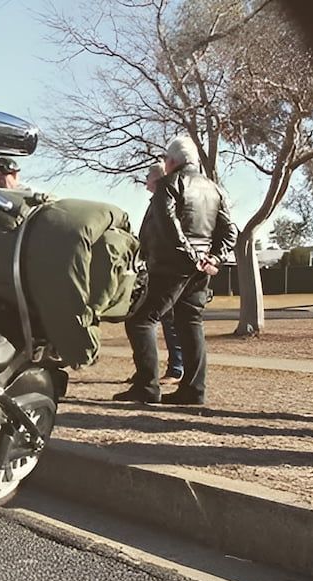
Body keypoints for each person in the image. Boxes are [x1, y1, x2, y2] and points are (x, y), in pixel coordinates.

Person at [114, 136, 236, 405]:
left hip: (172, 266)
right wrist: (211, 258)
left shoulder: (168, 185)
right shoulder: (214, 189)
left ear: (171, 162)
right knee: (189, 321)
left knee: (140, 320)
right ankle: (193, 390)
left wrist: (193, 257)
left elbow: (169, 227)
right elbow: (230, 231)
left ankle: (147, 386)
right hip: (201, 268)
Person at [138, 161, 184, 385]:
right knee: (163, 319)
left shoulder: (166, 201)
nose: (145, 180)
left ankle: (176, 368)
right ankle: (148, 371)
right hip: (154, 266)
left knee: (166, 320)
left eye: (148, 176)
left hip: (165, 268)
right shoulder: (156, 201)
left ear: (156, 178)